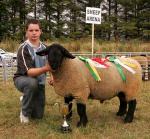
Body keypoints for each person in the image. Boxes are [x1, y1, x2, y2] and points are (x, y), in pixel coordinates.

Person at [13, 19, 52, 123]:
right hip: (23, 79)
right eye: (31, 30)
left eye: (36, 30)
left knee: (38, 116)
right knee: (32, 83)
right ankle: (24, 113)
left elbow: (51, 65)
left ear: (40, 31)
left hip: (40, 83)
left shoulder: (45, 48)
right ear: (26, 32)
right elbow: (29, 72)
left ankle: (25, 98)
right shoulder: (23, 48)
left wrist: (52, 78)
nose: (34, 33)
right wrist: (46, 69)